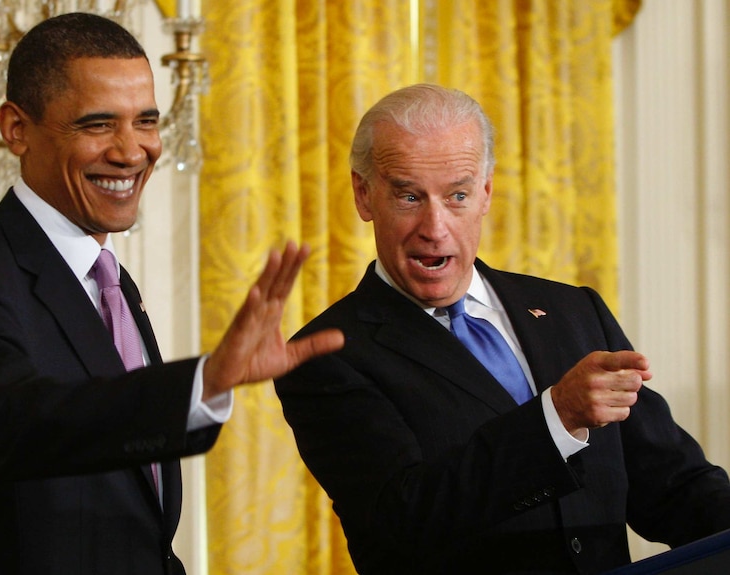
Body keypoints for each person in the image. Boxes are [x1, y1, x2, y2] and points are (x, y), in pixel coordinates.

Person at [0, 12, 343, 575]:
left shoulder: (111, 281)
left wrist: (203, 391)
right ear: (16, 129)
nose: (132, 151)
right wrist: (200, 382)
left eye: (146, 121)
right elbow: (13, 427)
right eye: (97, 125)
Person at [274, 84, 730, 574]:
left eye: (458, 196)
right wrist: (556, 417)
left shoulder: (573, 310)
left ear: (486, 192)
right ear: (364, 195)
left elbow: (673, 485)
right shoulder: (326, 354)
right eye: (409, 196)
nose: (435, 226)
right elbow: (402, 520)